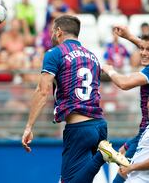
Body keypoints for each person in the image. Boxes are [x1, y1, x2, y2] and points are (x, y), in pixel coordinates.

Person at [21, 15, 129, 183]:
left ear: (58, 32)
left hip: (79, 128)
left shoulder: (55, 54)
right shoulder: (92, 56)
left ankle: (102, 155)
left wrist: (29, 126)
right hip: (99, 125)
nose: (50, 36)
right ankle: (103, 153)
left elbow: (42, 92)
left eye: (52, 32)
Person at [102, 25, 149, 183]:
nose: (143, 52)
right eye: (141, 48)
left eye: (148, 50)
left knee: (127, 170)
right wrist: (129, 37)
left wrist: (109, 70)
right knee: (120, 160)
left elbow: (124, 83)